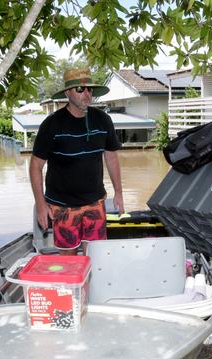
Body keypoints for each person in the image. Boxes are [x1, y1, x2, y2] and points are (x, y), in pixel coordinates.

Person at [29, 68, 124, 255]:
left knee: (95, 257)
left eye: (89, 89)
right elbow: (35, 166)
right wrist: (41, 204)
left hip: (95, 202)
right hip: (63, 206)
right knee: (68, 258)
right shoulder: (52, 124)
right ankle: (73, 284)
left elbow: (111, 157)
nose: (87, 94)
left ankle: (90, 285)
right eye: (80, 89)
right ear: (67, 93)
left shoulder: (103, 120)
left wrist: (119, 192)